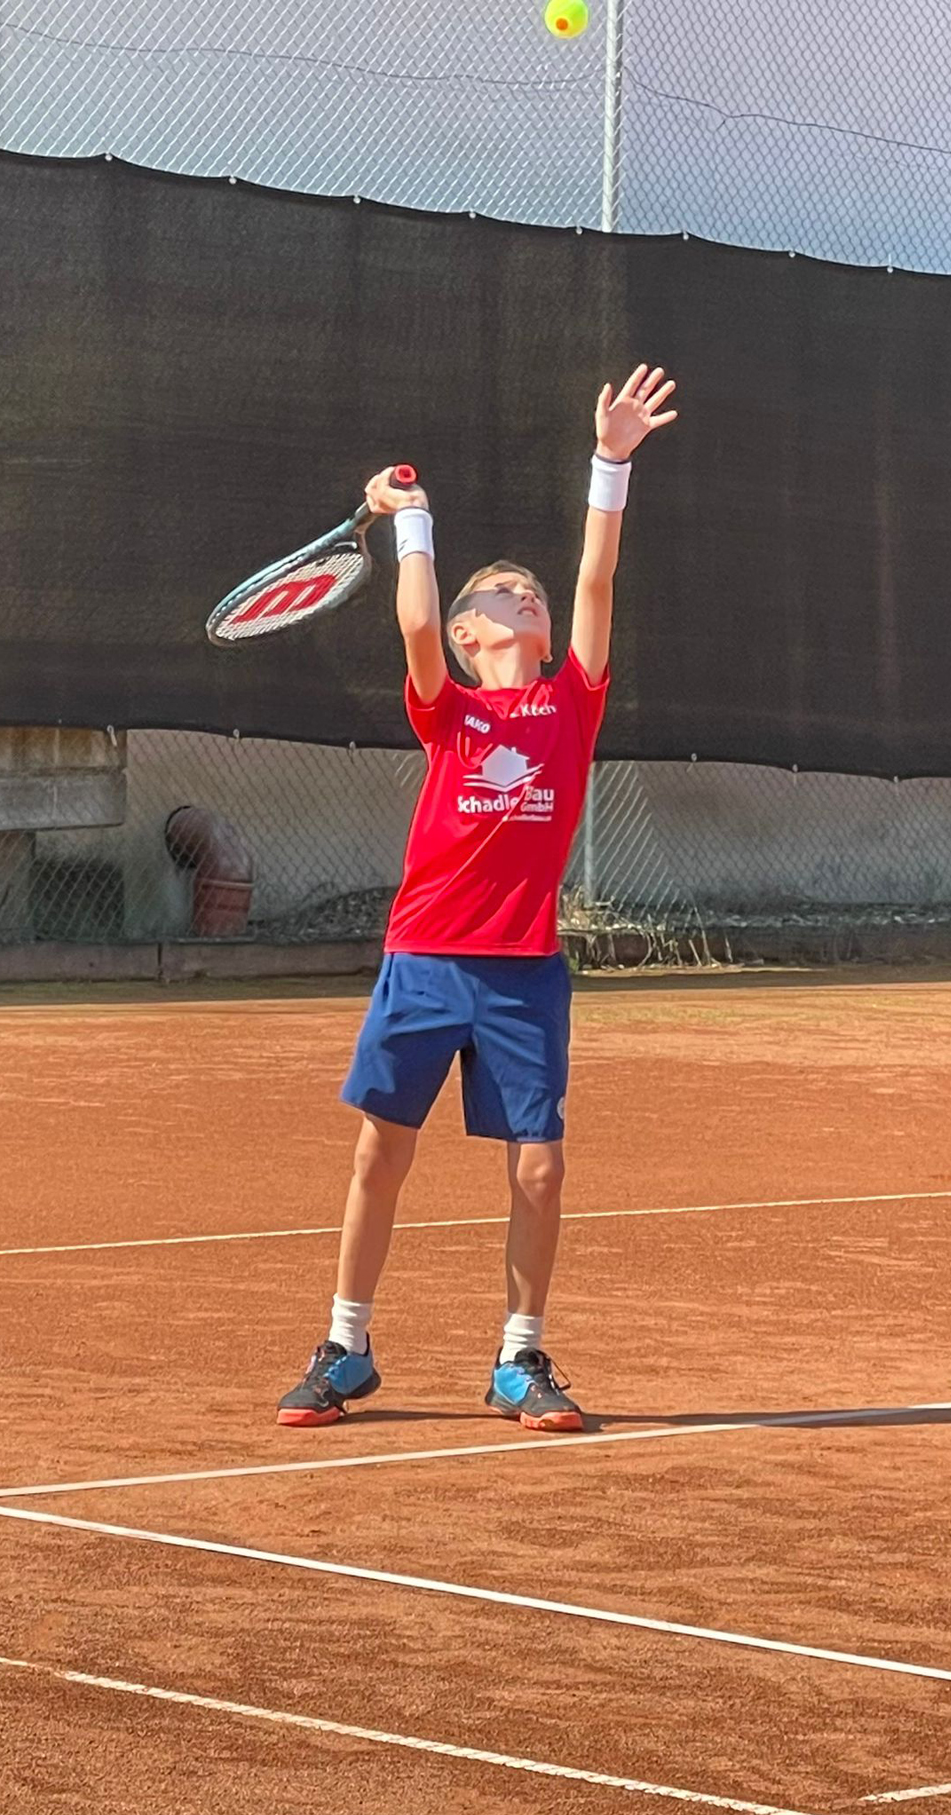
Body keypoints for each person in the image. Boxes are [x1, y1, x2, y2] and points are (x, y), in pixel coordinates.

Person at [278, 364, 678, 1432]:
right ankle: (346, 1347)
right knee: (381, 1152)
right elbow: (414, 625)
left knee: (540, 1170)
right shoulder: (448, 709)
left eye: (529, 591)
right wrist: (411, 519)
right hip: (424, 959)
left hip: (522, 975)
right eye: (503, 590)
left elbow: (596, 577)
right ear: (470, 633)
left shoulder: (572, 703)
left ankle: (518, 1359)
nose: (525, 593)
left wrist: (609, 462)